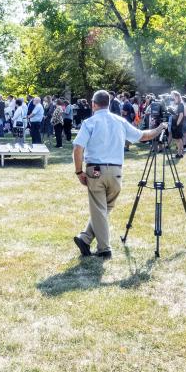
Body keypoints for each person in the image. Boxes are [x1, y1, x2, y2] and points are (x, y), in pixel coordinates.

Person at [72, 90, 167, 258]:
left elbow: (78, 147)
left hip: (95, 170)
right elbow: (143, 136)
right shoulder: (120, 121)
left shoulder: (90, 122)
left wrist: (79, 171)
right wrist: (161, 127)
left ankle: (104, 248)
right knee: (103, 209)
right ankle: (85, 238)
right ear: (108, 103)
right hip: (116, 171)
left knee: (100, 209)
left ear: (94, 104)